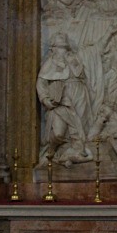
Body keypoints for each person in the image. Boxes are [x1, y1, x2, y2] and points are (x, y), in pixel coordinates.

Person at [36, 32, 94, 166]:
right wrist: (45, 99)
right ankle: (50, 151)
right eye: (60, 47)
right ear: (53, 49)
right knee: (58, 133)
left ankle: (69, 155)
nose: (63, 50)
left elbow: (81, 75)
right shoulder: (50, 63)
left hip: (79, 94)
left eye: (65, 47)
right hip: (61, 99)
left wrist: (73, 63)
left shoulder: (74, 59)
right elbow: (41, 82)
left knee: (79, 128)